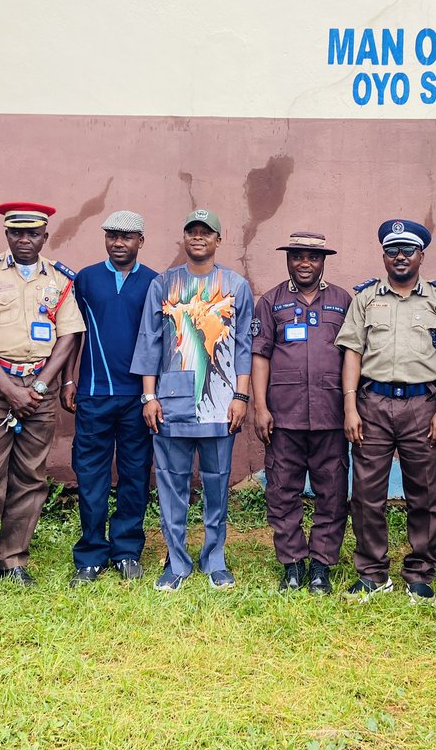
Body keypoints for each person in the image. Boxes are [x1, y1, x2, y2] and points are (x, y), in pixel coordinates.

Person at [0, 202, 85, 599]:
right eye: (16, 233)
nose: (24, 239)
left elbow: (68, 337)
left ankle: (14, 559)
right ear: (7, 235)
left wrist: (41, 386)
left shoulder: (61, 279)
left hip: (39, 388)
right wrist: (10, 389)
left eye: (32, 233)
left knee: (31, 476)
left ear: (45, 237)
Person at [336, 218, 436, 603]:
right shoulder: (366, 299)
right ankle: (372, 573)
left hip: (422, 406)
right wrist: (350, 406)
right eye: (393, 251)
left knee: (424, 493)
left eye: (408, 250)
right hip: (372, 405)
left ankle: (420, 573)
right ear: (384, 256)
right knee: (366, 493)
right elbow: (352, 353)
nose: (400, 257)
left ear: (421, 255)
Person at [131, 209, 254, 591]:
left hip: (220, 401)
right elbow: (149, 342)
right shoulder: (163, 284)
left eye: (206, 232)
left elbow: (246, 347)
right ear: (183, 239)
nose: (198, 238)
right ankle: (177, 562)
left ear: (219, 239)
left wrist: (241, 395)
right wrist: (148, 396)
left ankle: (214, 558)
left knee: (217, 484)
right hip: (170, 401)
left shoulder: (236, 285)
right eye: (192, 232)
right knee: (171, 483)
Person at [250, 231, 351, 594]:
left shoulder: (343, 301)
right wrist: (260, 407)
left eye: (312, 256)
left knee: (333, 492)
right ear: (287, 260)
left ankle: (321, 564)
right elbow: (260, 355)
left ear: (323, 261)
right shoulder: (271, 301)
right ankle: (292, 563)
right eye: (297, 256)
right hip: (284, 417)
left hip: (331, 416)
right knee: (282, 491)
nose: (304, 263)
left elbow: (353, 358)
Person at [64, 210, 158, 585]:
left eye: (127, 237)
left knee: (135, 475)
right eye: (112, 236)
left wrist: (155, 394)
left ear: (140, 241)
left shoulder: (154, 282)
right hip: (93, 394)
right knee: (91, 476)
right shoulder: (85, 279)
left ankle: (127, 550)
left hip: (138, 397)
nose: (119, 243)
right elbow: (72, 334)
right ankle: (90, 553)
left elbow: (160, 342)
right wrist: (69, 382)